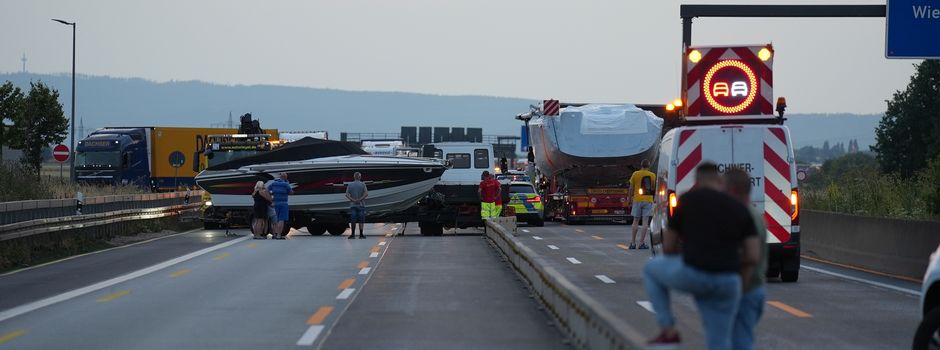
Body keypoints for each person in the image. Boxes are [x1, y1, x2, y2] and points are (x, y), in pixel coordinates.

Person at [643, 162, 760, 350]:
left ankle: (668, 330)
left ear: (697, 180)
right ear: (719, 180)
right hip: (728, 280)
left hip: (695, 273)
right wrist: (740, 285)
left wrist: (681, 264)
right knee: (718, 342)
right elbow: (753, 255)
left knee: (650, 269)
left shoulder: (686, 201)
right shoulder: (739, 207)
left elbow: (669, 246)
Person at [725, 168, 768, 350]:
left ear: (733, 190)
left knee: (740, 343)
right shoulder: (755, 215)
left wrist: (738, 291)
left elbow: (750, 257)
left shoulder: (742, 217)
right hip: (756, 289)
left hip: (746, 290)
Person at [628, 159, 656, 249]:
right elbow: (653, 188)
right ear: (649, 166)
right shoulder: (652, 175)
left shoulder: (635, 174)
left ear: (641, 165)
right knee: (645, 222)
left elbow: (631, 188)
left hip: (637, 199)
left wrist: (629, 198)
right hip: (648, 200)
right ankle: (641, 243)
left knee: (635, 221)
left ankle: (632, 243)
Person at [267, 172, 293, 240]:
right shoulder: (285, 184)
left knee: (275, 220)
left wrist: (271, 197)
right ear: (285, 177)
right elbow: (291, 192)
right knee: (281, 220)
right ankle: (278, 235)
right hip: (283, 203)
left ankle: (274, 234)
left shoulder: (274, 183)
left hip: (275, 203)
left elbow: (266, 190)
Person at [345, 172, 369, 239]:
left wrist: (353, 200)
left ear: (354, 177)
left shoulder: (350, 184)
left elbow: (347, 194)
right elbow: (366, 194)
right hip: (361, 205)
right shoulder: (363, 184)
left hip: (353, 205)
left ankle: (352, 235)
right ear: (360, 177)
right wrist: (360, 199)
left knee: (353, 220)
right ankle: (361, 235)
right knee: (361, 220)